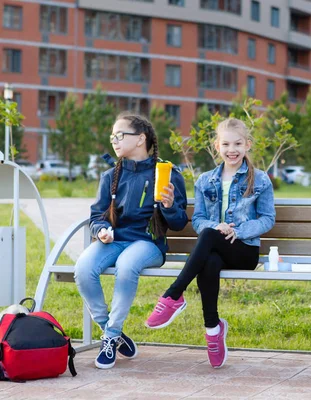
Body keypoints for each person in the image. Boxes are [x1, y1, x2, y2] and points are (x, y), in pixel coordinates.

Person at [145, 118, 276, 369]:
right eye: (226, 144)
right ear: (217, 146)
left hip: (244, 250)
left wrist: (240, 231)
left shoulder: (259, 180)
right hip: (215, 248)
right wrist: (215, 227)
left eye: (238, 143)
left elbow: (267, 218)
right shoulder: (205, 180)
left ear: (247, 144)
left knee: (208, 238)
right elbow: (199, 220)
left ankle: (173, 295)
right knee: (210, 256)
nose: (232, 149)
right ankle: (213, 330)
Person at [74, 112, 189, 369]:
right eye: (112, 136)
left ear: (140, 139)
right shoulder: (110, 176)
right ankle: (112, 332)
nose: (114, 140)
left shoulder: (167, 173)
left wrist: (169, 206)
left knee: (126, 266)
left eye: (119, 135)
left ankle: (110, 336)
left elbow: (180, 223)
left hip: (148, 244)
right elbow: (97, 215)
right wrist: (102, 229)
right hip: (114, 241)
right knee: (83, 268)